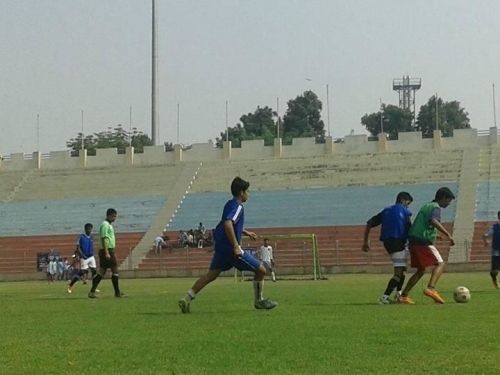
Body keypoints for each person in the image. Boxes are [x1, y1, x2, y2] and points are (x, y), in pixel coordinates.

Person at [178, 177, 278, 313]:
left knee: (210, 276)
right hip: (231, 250)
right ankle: (259, 301)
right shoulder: (238, 206)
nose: (248, 193)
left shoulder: (229, 204)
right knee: (261, 270)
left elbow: (226, 222)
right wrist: (236, 246)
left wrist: (244, 231)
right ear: (241, 193)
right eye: (247, 191)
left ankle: (187, 299)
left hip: (221, 249)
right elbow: (227, 224)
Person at [399, 187, 455, 304]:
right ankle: (431, 288)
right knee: (440, 263)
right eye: (449, 200)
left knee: (421, 270)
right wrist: (448, 234)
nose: (449, 203)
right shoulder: (435, 207)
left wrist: (435, 235)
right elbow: (433, 221)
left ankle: (403, 296)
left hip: (414, 240)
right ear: (443, 198)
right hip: (421, 240)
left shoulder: (427, 205)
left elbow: (424, 223)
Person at [362, 192, 413, 304]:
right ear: (404, 200)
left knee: (402, 269)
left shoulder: (386, 210)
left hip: (388, 242)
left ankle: (398, 294)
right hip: (398, 241)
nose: (408, 206)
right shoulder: (404, 211)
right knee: (398, 273)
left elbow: (369, 223)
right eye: (408, 204)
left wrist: (365, 242)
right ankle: (384, 297)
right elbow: (410, 227)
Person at [88, 208, 124, 298]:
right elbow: (104, 238)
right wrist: (107, 252)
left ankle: (92, 292)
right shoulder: (105, 225)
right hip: (107, 250)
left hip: (107, 250)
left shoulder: (109, 225)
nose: (114, 218)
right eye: (113, 216)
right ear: (108, 215)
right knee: (115, 269)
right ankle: (117, 292)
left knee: (102, 272)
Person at [68, 223, 97, 293]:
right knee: (82, 273)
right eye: (88, 229)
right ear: (85, 229)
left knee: (94, 271)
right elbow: (78, 248)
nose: (90, 230)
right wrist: (82, 255)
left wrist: (92, 253)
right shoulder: (81, 237)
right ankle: (70, 285)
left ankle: (94, 288)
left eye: (90, 229)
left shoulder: (91, 237)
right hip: (84, 258)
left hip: (91, 257)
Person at [482, 211, 500, 289]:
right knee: (495, 271)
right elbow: (485, 235)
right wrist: (486, 241)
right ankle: (494, 277)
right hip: (496, 251)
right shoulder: (494, 227)